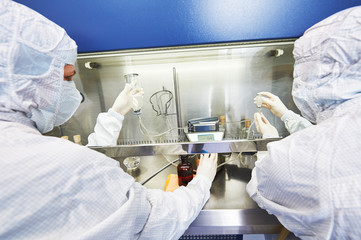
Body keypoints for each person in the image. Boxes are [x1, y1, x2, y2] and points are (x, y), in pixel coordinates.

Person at [0, 1, 218, 240]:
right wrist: (203, 181)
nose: (76, 93)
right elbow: (156, 218)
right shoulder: (59, 166)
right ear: (29, 82)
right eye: (67, 78)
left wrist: (114, 114)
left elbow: (84, 167)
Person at [247, 6, 361, 239]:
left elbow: (264, 183)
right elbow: (333, 140)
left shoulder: (300, 159)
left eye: (299, 66)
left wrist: (270, 142)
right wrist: (286, 115)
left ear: (317, 70)